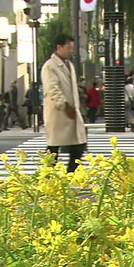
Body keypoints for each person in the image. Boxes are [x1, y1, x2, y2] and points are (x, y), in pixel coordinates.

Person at [41, 34, 87, 173]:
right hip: (59, 112)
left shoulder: (69, 64)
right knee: (54, 145)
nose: (71, 50)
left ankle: (72, 171)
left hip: (71, 110)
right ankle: (48, 173)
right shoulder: (50, 66)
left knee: (78, 144)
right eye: (68, 47)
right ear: (59, 47)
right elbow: (52, 89)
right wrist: (64, 105)